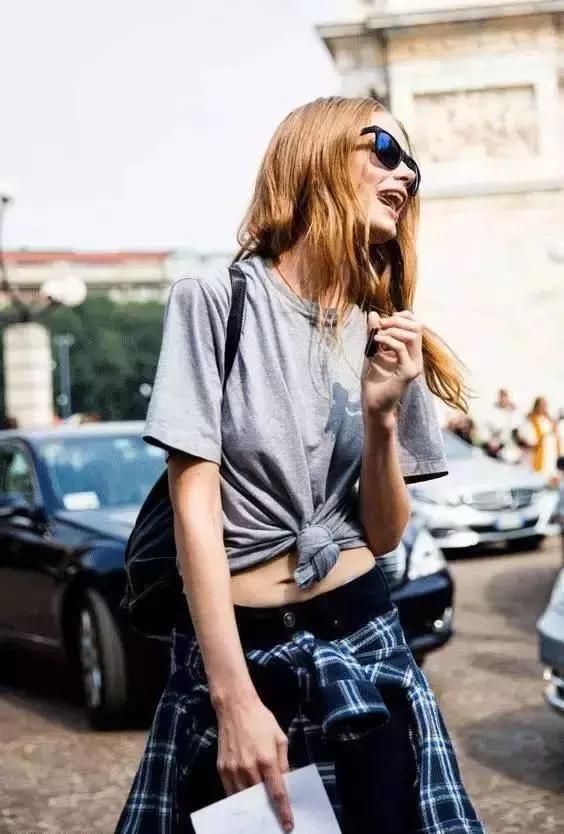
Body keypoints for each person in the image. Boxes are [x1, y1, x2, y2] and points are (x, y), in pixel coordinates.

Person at [116, 96, 486, 834]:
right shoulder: (215, 303)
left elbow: (384, 535)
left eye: (413, 164)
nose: (405, 175)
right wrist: (232, 699)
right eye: (386, 149)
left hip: (367, 643)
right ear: (315, 154)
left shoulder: (387, 327)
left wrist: (382, 416)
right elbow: (195, 510)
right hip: (242, 656)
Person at [517, 396, 562, 485]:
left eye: (545, 405)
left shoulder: (550, 420)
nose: (543, 407)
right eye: (541, 405)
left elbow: (557, 435)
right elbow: (524, 437)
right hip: (537, 455)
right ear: (536, 406)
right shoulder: (530, 420)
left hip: (551, 455)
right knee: (538, 480)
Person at [482, 388, 522, 463]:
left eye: (505, 396)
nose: (503, 399)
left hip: (510, 446)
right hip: (496, 445)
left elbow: (516, 428)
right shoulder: (493, 410)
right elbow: (490, 427)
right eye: (501, 396)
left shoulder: (514, 411)